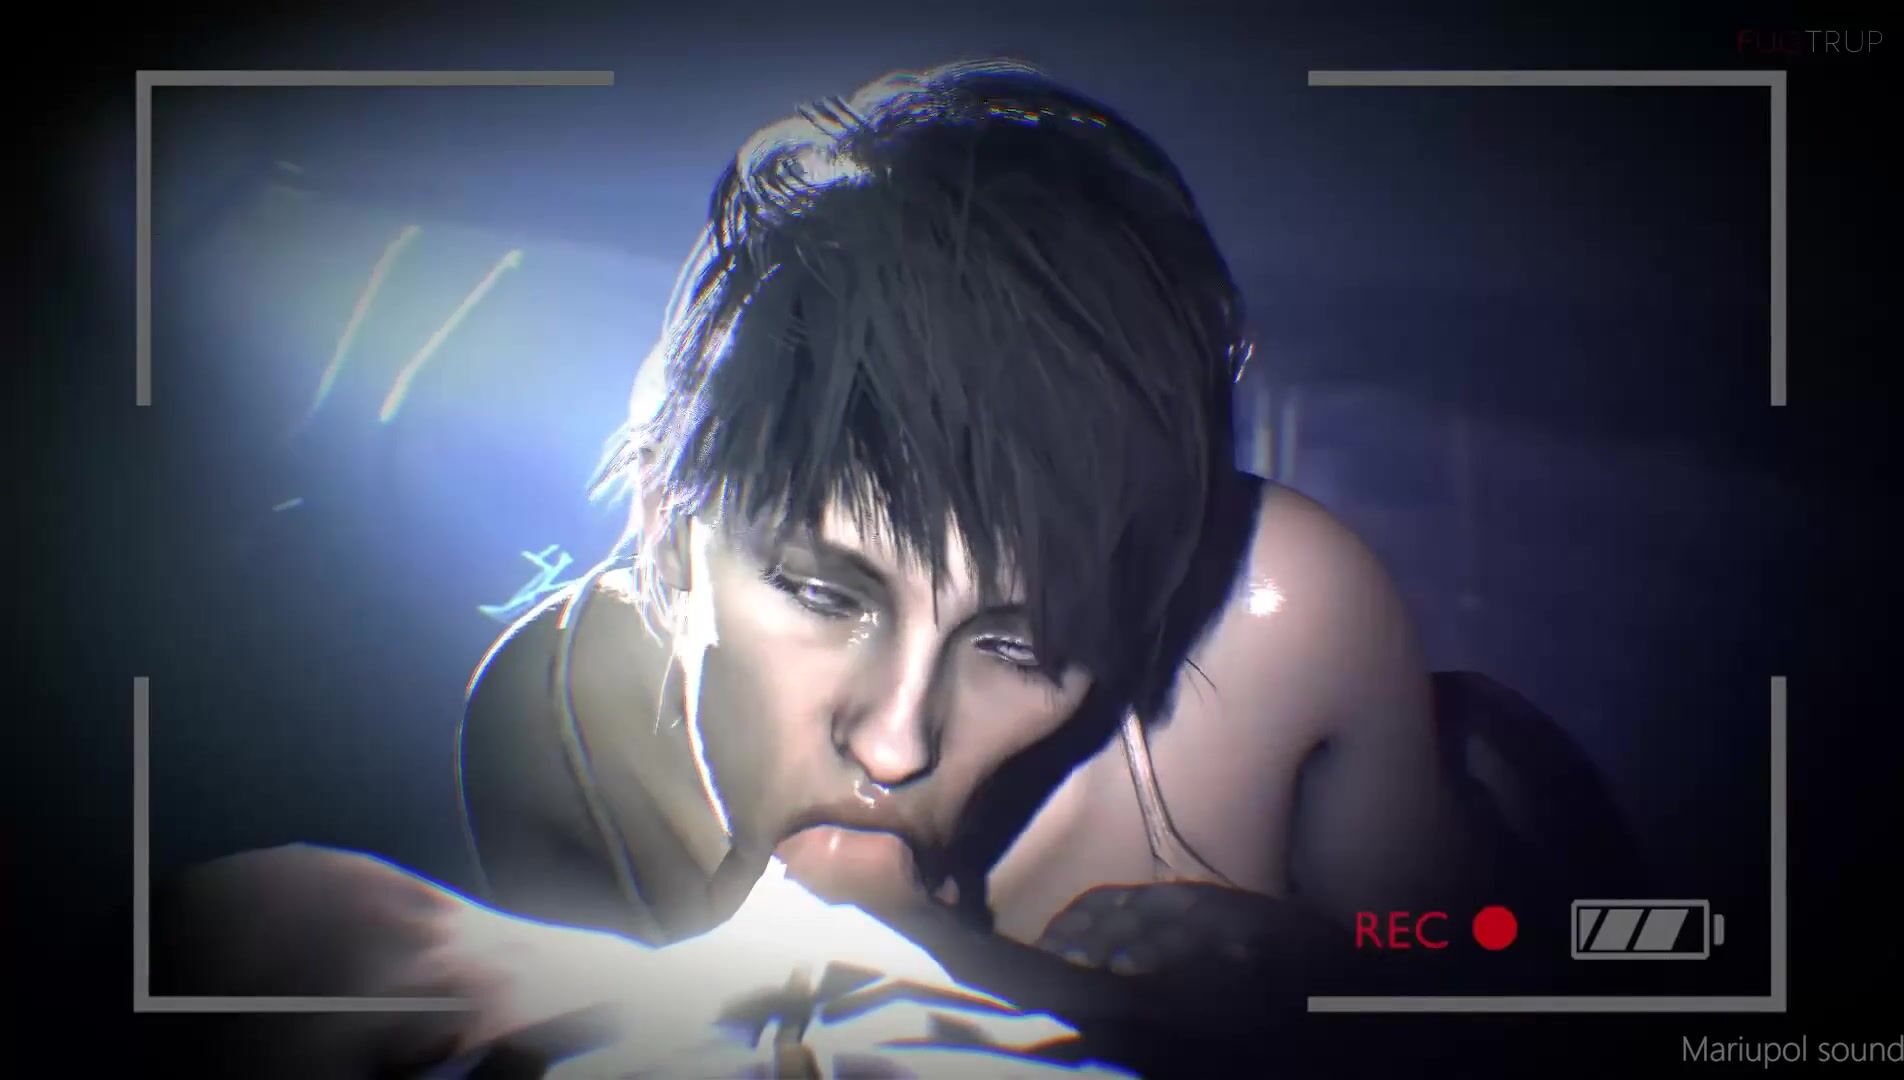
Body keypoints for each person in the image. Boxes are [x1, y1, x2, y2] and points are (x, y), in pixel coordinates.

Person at [155, 58, 1531, 1077]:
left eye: (1021, 643)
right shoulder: (559, 716)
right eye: (823, 594)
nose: (894, 741)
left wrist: (1335, 980)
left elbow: (1505, 964)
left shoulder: (1282, 612)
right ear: (674, 526)